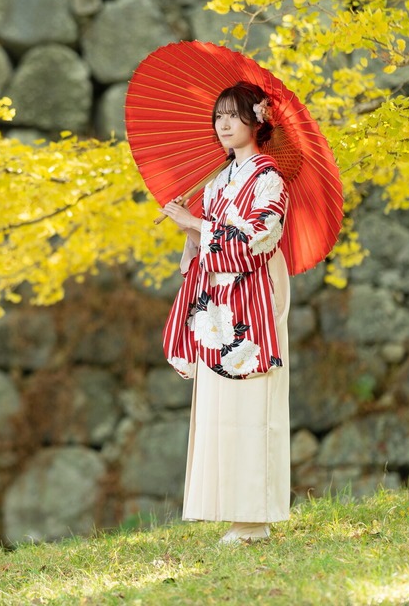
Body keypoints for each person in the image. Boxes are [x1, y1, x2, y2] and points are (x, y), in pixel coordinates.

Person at [159, 82, 291, 544]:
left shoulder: (269, 180)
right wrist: (190, 229)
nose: (224, 124)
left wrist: (197, 224)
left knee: (253, 404)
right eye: (219, 116)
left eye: (234, 115)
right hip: (216, 303)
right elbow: (204, 246)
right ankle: (231, 511)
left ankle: (255, 518)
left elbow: (257, 239)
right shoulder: (217, 182)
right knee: (220, 407)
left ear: (258, 121)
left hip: (251, 298)